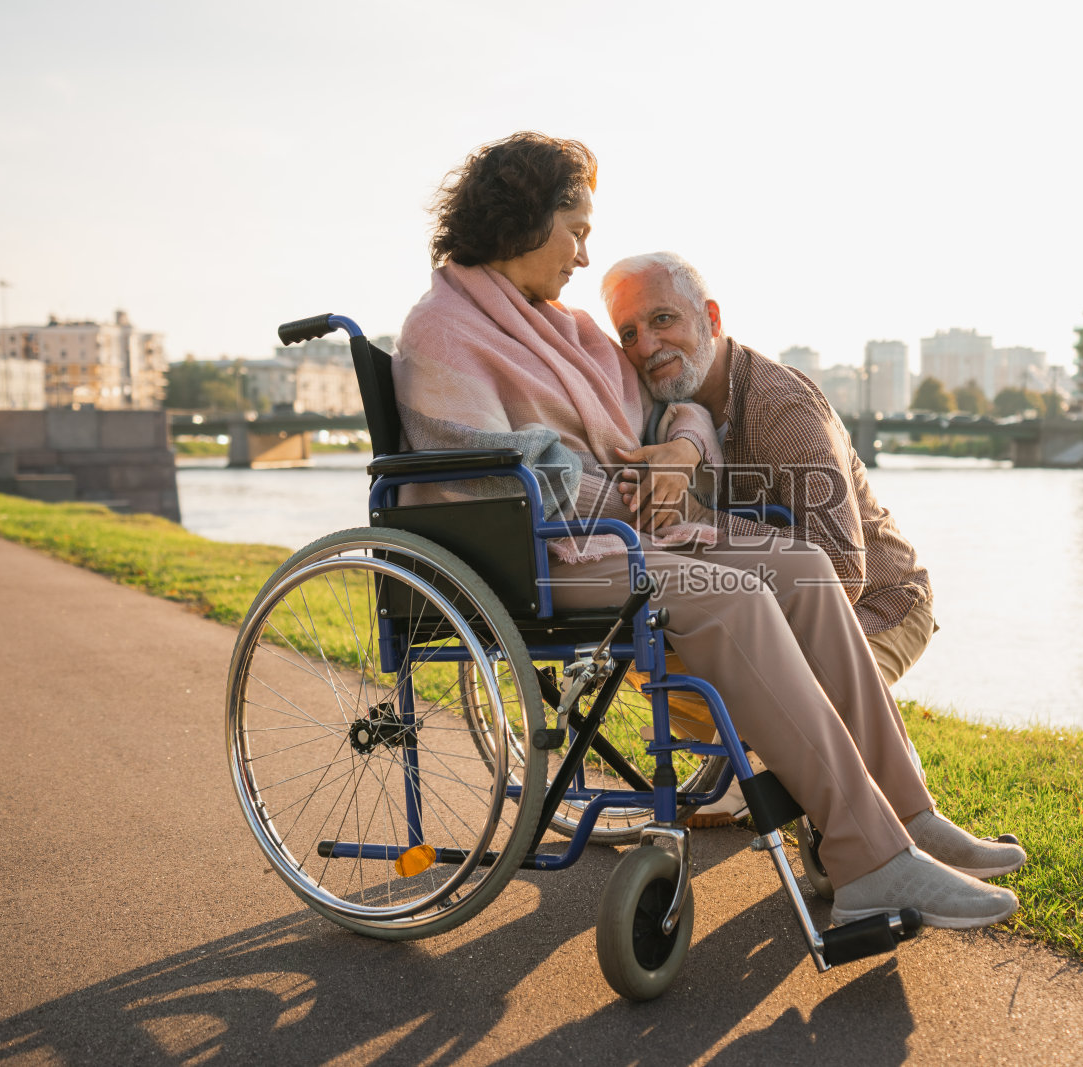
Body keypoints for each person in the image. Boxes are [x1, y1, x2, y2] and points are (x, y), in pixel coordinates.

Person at [392, 132, 1024, 929]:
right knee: (732, 596)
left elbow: (673, 410)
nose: (584, 255)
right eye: (577, 228)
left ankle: (908, 813)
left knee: (801, 565)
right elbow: (492, 468)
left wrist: (681, 449)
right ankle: (869, 858)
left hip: (621, 535)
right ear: (526, 216)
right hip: (537, 555)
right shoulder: (442, 330)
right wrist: (635, 489)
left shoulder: (571, 329)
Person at [603, 252, 936, 688]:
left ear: (712, 319)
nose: (646, 346)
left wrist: (700, 521)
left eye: (663, 319)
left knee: (807, 706)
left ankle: (876, 756)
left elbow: (842, 569)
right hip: (758, 616)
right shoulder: (659, 412)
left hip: (876, 606)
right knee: (648, 667)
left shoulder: (782, 409)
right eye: (629, 333)